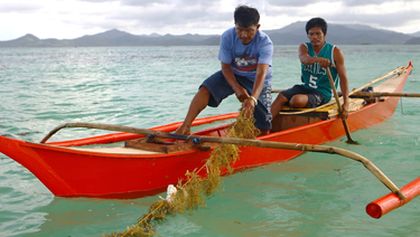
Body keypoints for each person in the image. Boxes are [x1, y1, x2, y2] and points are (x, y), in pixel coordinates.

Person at [175, 5, 273, 135]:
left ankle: (260, 137)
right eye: (239, 30)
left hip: (257, 79)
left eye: (249, 30)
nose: (243, 35)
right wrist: (238, 89)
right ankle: (185, 127)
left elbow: (262, 72)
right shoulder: (227, 36)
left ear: (258, 27)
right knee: (205, 89)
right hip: (233, 73)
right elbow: (225, 67)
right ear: (235, 25)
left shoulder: (265, 43)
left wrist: (253, 99)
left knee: (264, 124)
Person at [271, 17, 349, 120]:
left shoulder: (335, 52)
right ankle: (263, 126)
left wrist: (346, 104)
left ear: (324, 34)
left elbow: (343, 78)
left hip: (322, 93)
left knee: (296, 101)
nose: (314, 37)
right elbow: (304, 59)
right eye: (311, 34)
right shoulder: (304, 47)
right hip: (306, 87)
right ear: (307, 35)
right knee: (281, 96)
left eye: (318, 34)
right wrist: (318, 60)